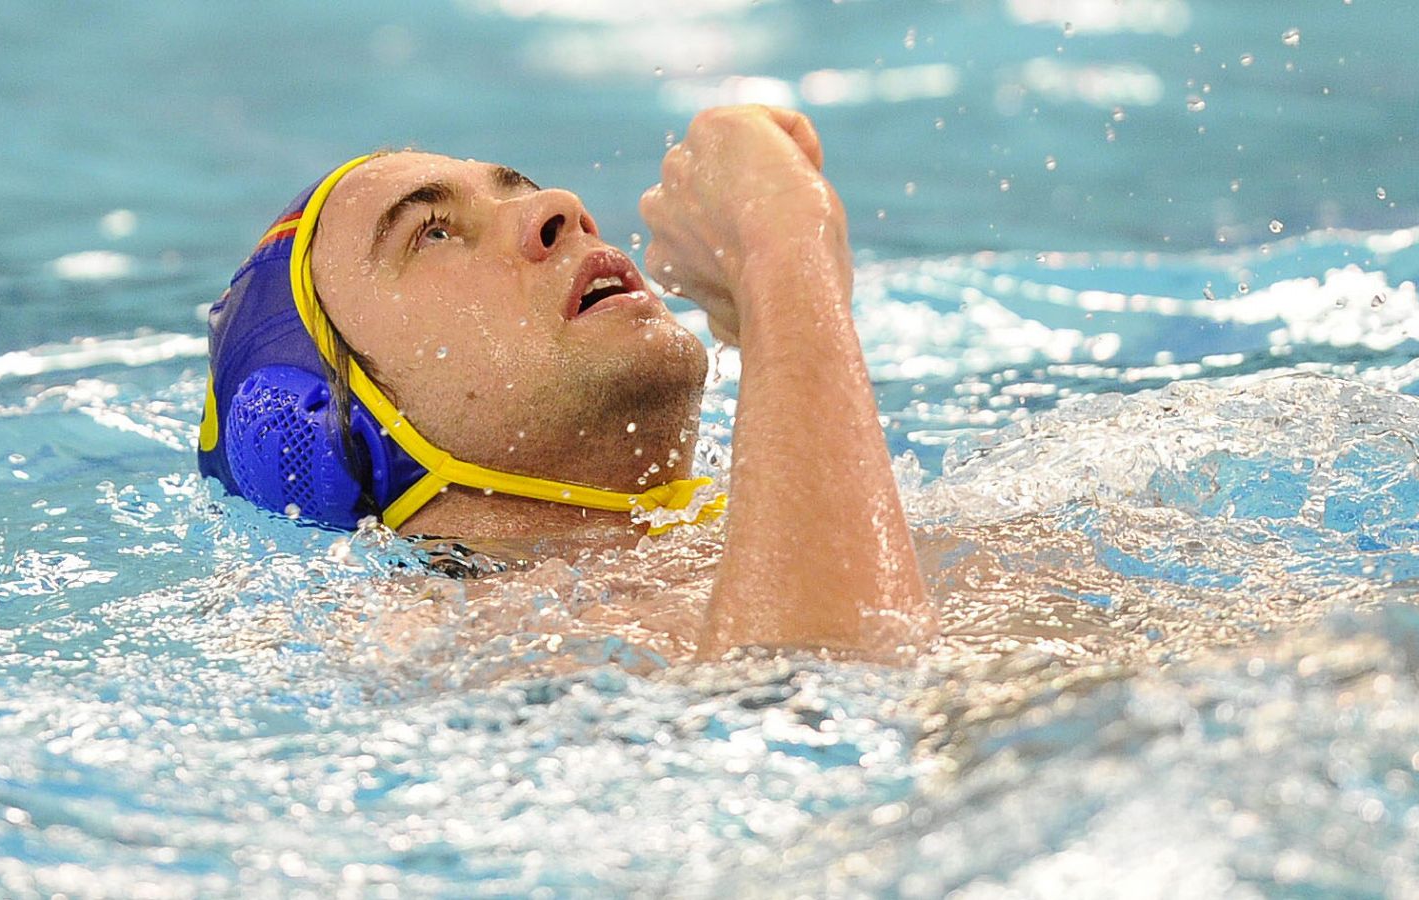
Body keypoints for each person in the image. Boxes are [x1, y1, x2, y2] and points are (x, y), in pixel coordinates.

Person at [198, 106, 933, 658]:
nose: (558, 208)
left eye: (519, 191)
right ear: (324, 432)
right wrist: (782, 259)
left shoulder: (823, 523)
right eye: (433, 233)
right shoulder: (455, 648)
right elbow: (832, 699)